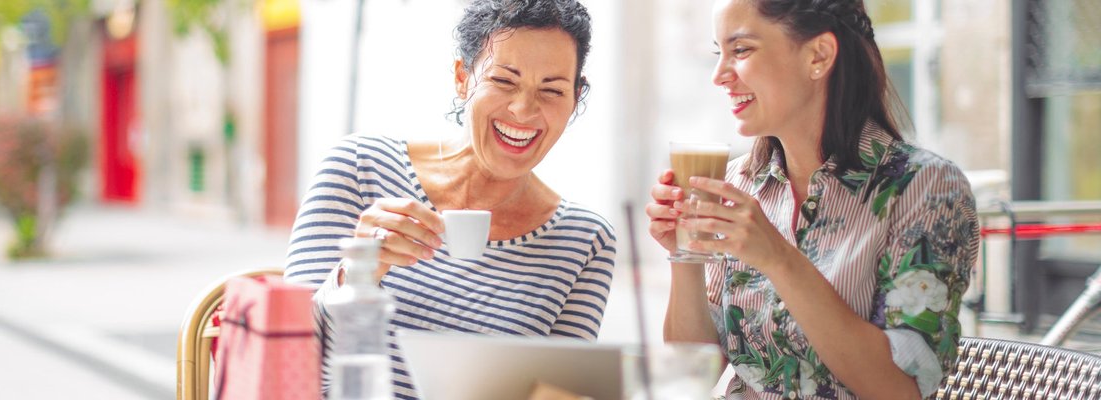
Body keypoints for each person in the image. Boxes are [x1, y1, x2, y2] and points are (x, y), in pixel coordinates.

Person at [645, 0, 979, 398]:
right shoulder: (739, 184)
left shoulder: (925, 188)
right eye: (719, 53)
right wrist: (686, 253)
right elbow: (691, 373)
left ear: (818, 55)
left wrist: (779, 258)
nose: (719, 76)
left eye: (741, 50)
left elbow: (898, 390)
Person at [284, 0, 616, 398]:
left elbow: (561, 391)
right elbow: (286, 348)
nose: (524, 110)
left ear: (575, 98)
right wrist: (355, 275)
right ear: (463, 78)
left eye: (552, 90)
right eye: (504, 81)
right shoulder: (360, 167)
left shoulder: (586, 240)